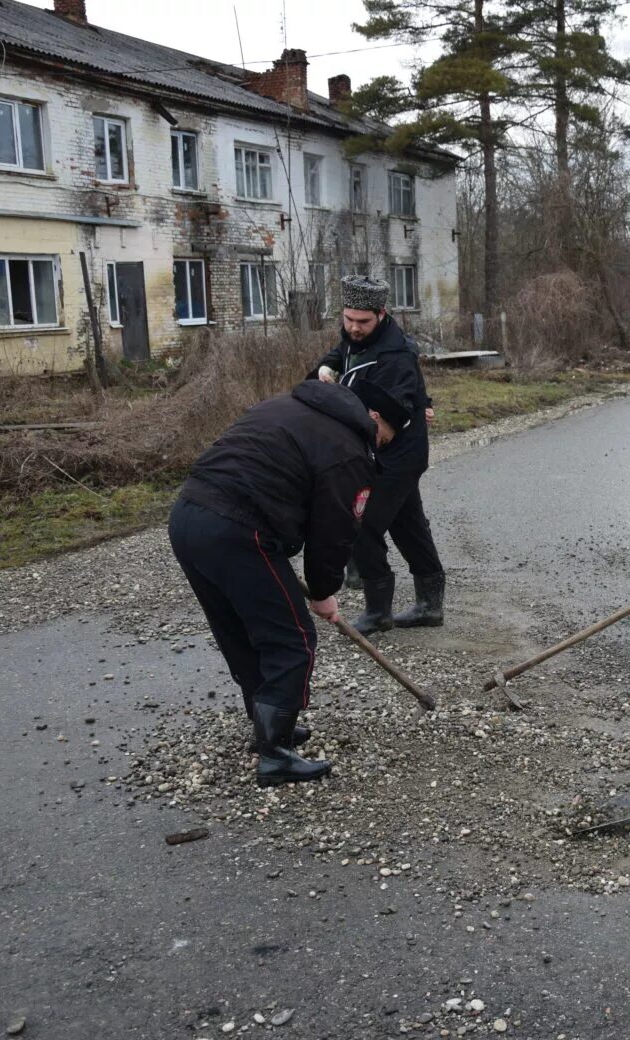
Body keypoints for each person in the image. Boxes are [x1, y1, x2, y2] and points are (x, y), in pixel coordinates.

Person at [169, 377, 400, 786]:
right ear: (374, 419)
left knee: (241, 629)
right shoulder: (348, 451)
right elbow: (335, 529)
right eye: (384, 437)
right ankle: (276, 755)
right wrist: (324, 591)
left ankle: (268, 727)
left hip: (188, 515)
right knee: (291, 638)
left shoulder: (290, 407)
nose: (379, 446)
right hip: (239, 528)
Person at [311, 275, 445, 634]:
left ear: (382, 314)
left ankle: (378, 610)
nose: (354, 328)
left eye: (363, 322)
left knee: (364, 523)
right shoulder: (355, 338)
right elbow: (342, 353)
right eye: (349, 319)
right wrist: (327, 367)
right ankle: (430, 605)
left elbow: (397, 409)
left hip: (398, 453)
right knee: (408, 524)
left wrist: (374, 418)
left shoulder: (396, 353)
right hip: (378, 453)